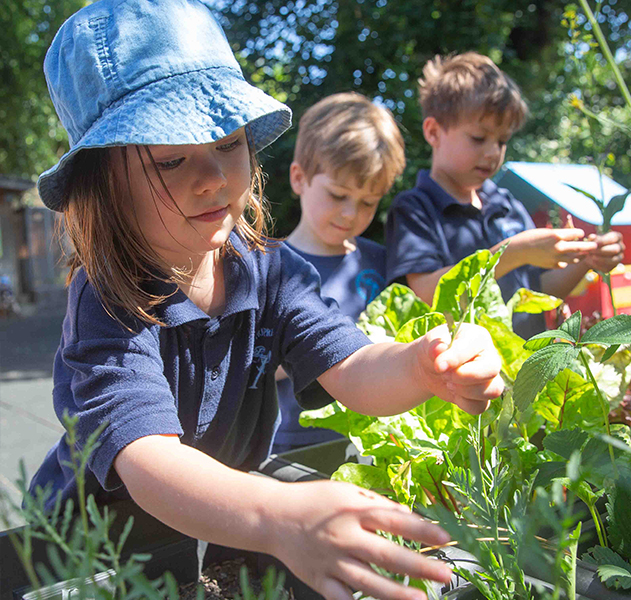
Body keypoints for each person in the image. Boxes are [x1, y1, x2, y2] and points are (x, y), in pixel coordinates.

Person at [27, 3, 505, 600]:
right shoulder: (108, 299)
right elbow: (147, 460)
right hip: (91, 550)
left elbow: (355, 369)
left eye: (229, 143)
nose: (214, 177)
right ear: (101, 184)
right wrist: (278, 515)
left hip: (222, 528)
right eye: (171, 158)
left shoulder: (273, 273)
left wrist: (421, 365)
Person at [384, 52, 625, 339]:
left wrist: (588, 261)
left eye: (502, 141)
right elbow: (426, 295)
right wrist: (512, 253)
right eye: (478, 138)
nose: (492, 152)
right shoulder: (414, 208)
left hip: (526, 360)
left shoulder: (506, 205)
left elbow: (540, 292)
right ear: (434, 132)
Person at [272, 92, 405, 454]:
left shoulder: (383, 262)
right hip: (290, 446)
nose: (350, 214)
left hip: (376, 445)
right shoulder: (267, 265)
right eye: (337, 195)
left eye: (368, 202)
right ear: (299, 178)